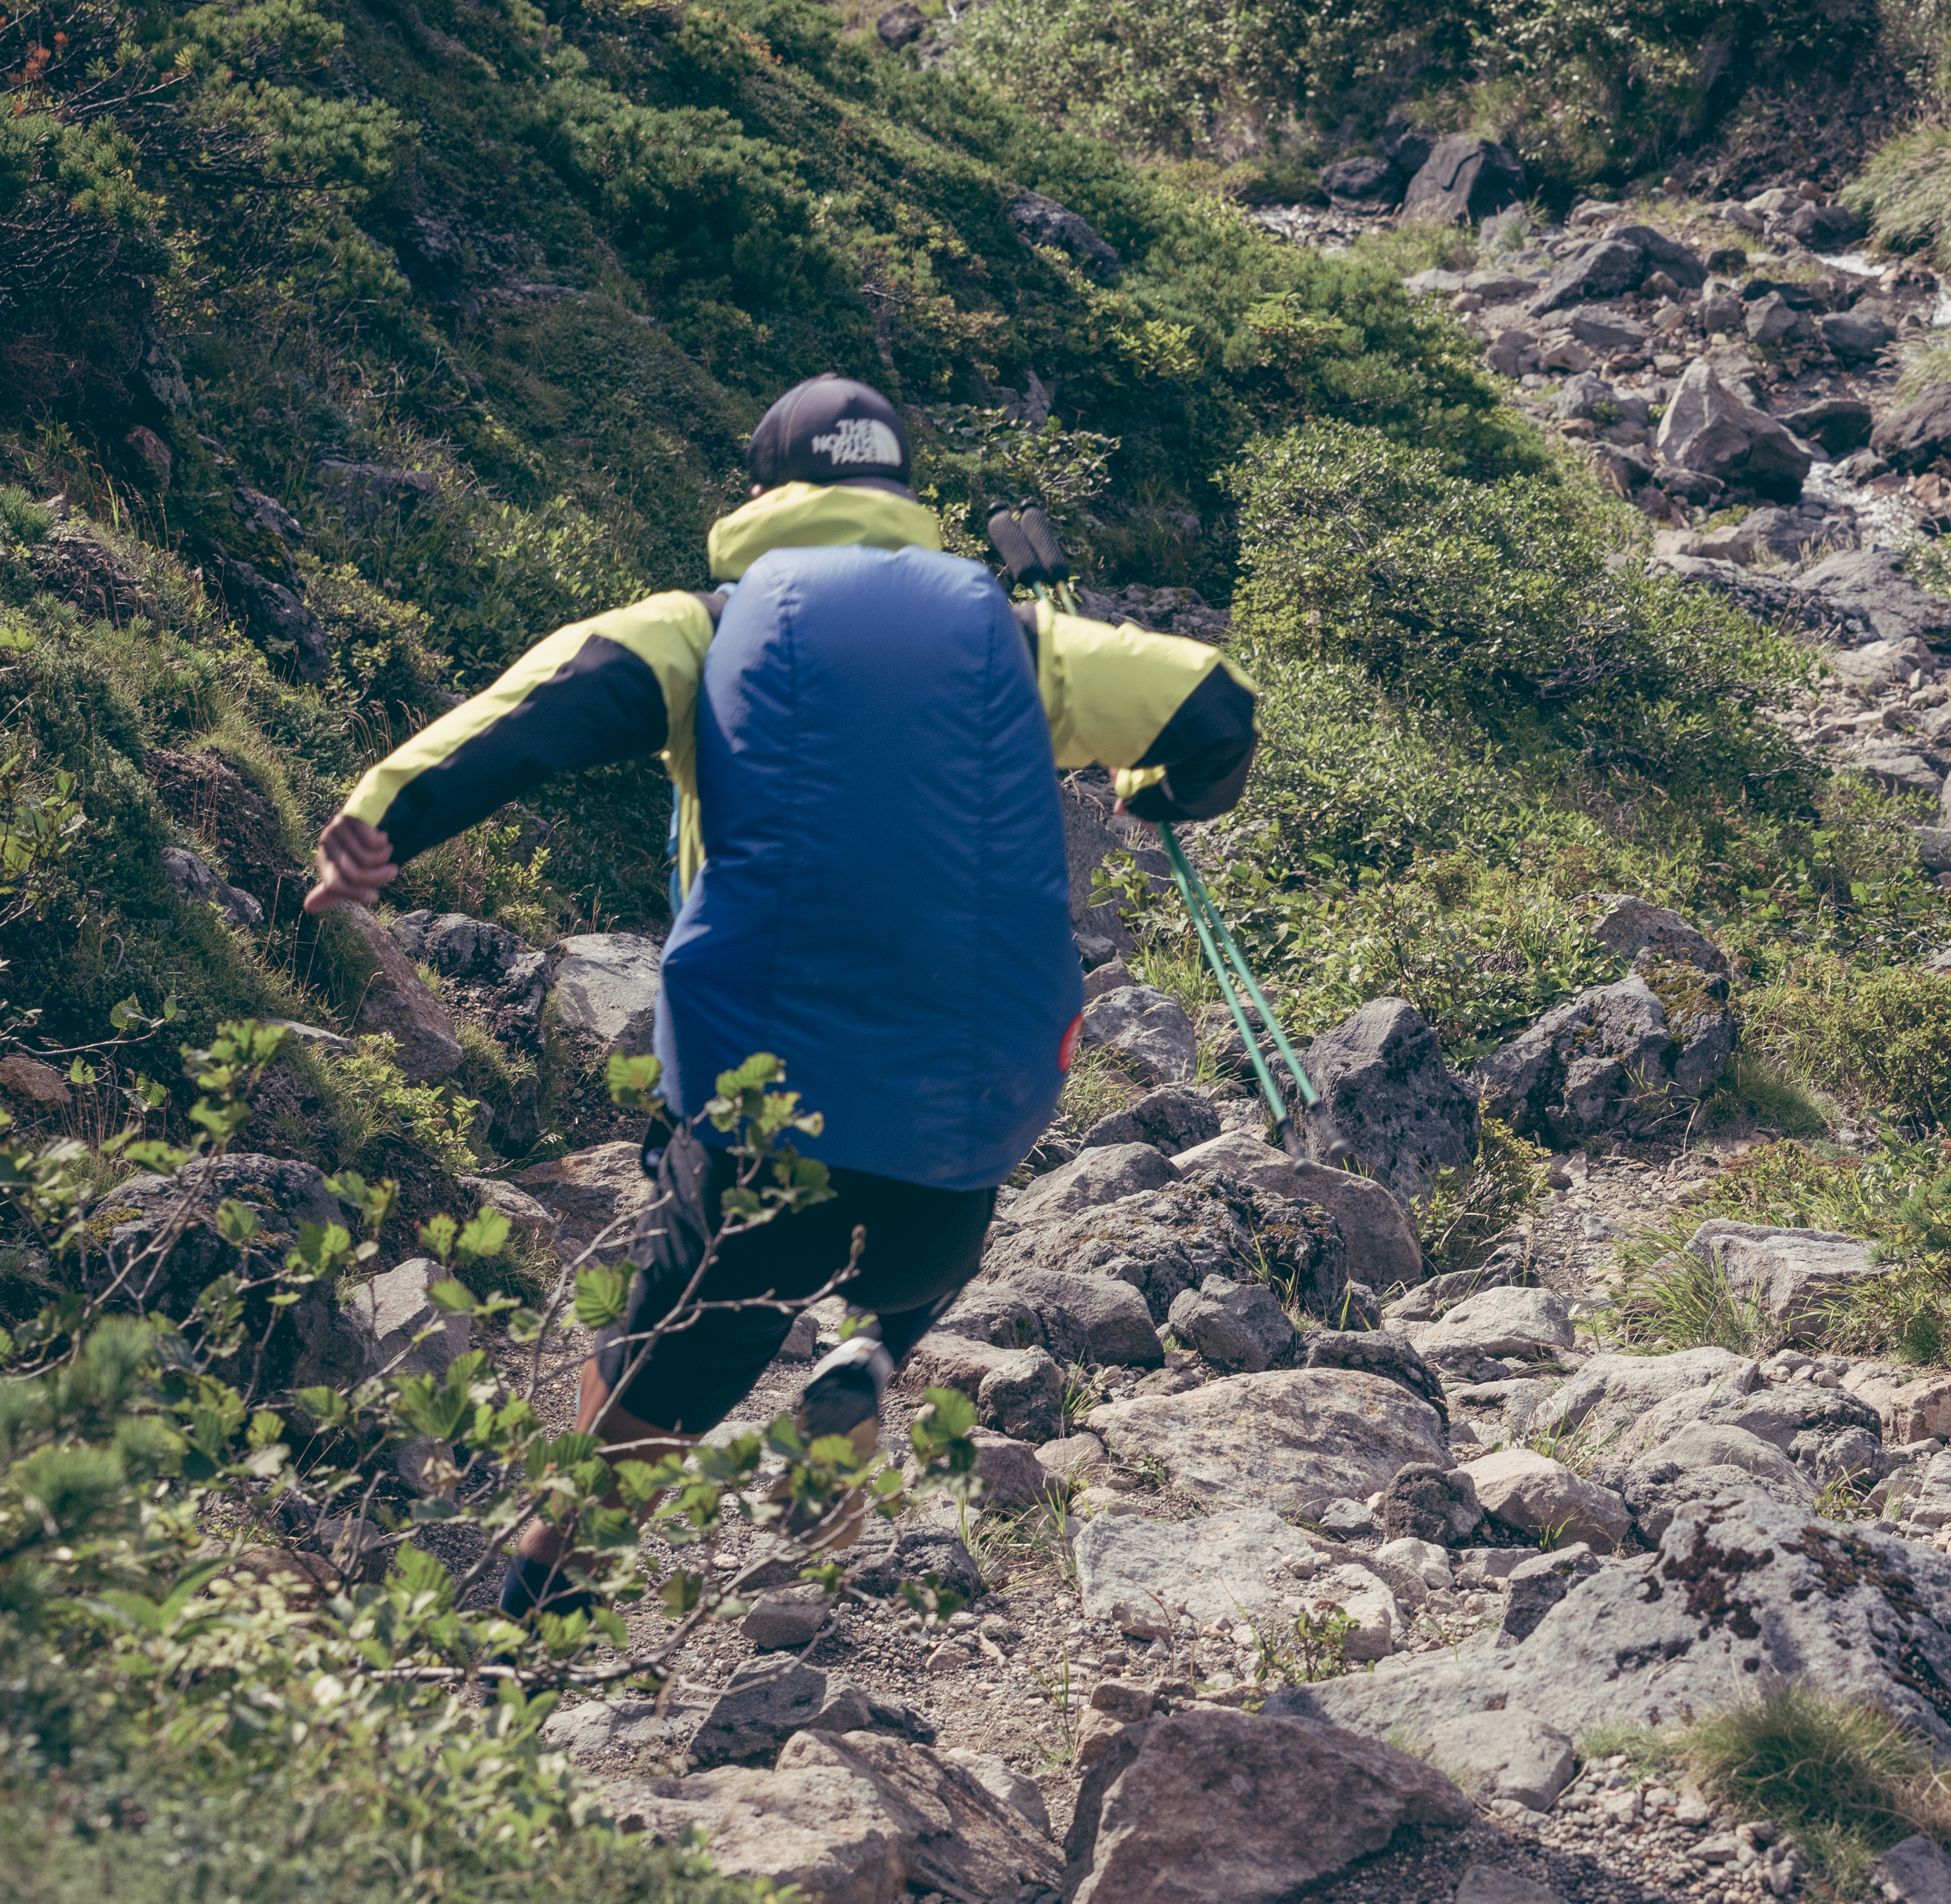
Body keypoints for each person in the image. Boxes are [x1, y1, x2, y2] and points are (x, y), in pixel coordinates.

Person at [303, 375, 1257, 1614]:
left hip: (769, 1113)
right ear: (902, 499)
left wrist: (385, 816)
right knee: (922, 1211)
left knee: (641, 1402)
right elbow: (1215, 707)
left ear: (761, 497)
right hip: (970, 1126)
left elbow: (543, 703)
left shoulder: (706, 622)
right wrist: (1152, 797)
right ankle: (868, 1351)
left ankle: (519, 1659)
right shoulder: (1018, 639)